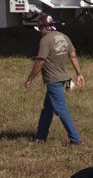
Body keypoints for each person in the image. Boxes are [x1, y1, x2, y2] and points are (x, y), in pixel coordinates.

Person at [24, 13, 85, 144]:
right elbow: (73, 56)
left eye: (40, 28)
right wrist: (79, 74)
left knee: (60, 109)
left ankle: (75, 138)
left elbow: (40, 61)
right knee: (48, 109)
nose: (40, 31)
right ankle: (41, 137)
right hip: (65, 77)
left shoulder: (45, 40)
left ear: (44, 27)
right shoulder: (64, 36)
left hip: (54, 80)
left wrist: (30, 79)